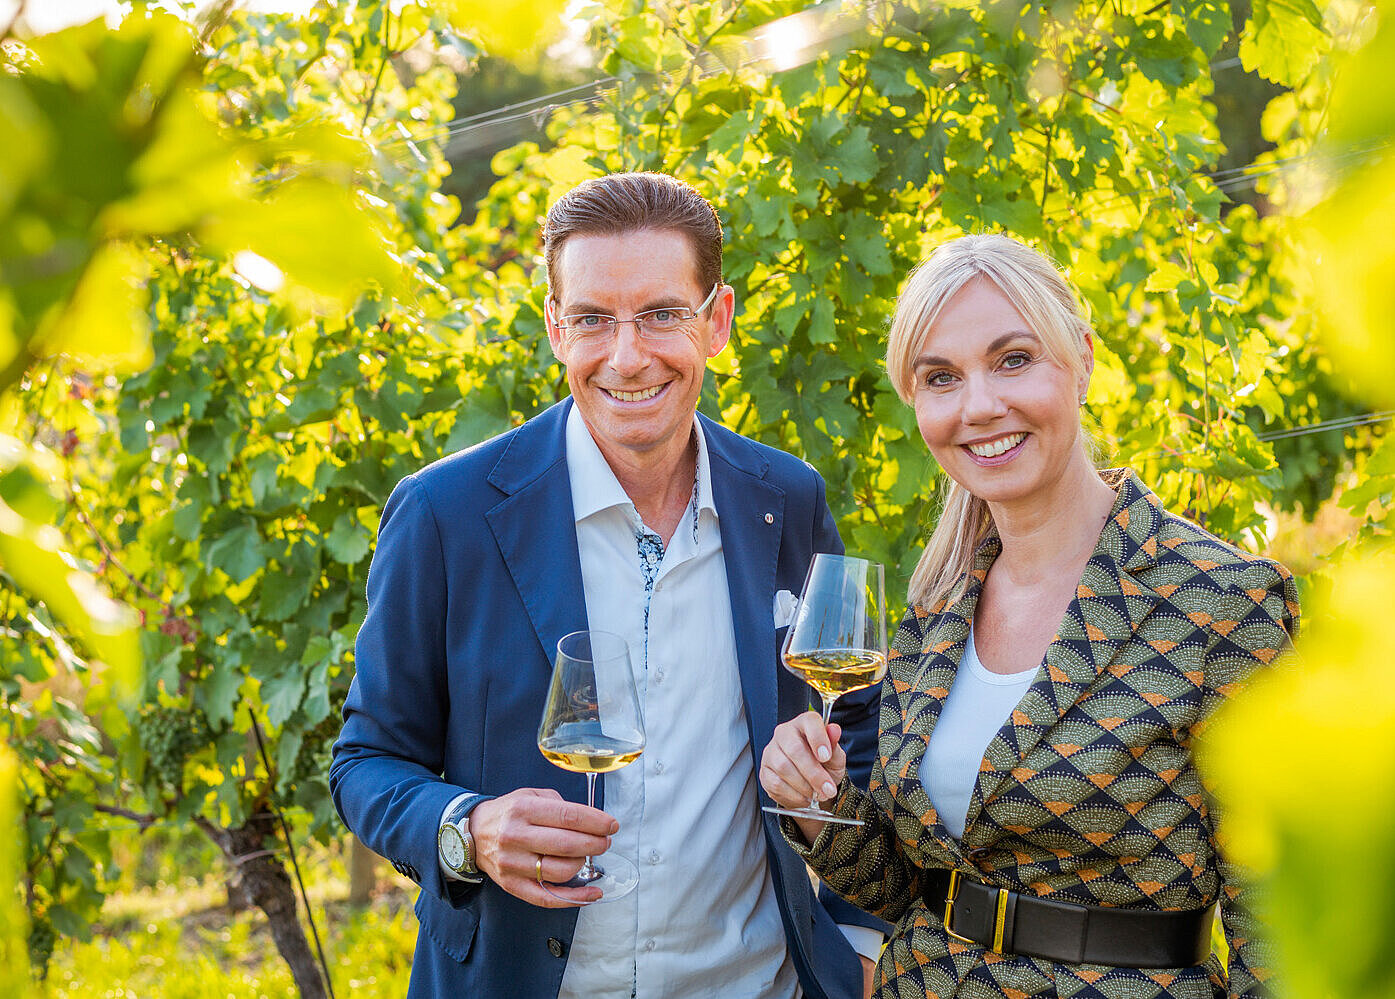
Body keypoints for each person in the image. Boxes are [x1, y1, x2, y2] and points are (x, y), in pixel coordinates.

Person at [330, 172, 886, 999]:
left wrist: (858, 937)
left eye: (661, 314)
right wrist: (468, 829)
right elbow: (367, 760)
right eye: (593, 318)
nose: (627, 357)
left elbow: (858, 729)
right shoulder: (445, 513)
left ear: (717, 321)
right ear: (556, 327)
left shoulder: (785, 498)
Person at [759, 233, 1298, 999]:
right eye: (940, 377)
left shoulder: (1219, 601)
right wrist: (818, 808)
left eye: (1012, 359)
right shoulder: (934, 609)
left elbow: (1280, 921)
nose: (979, 405)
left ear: (1081, 358)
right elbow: (912, 886)